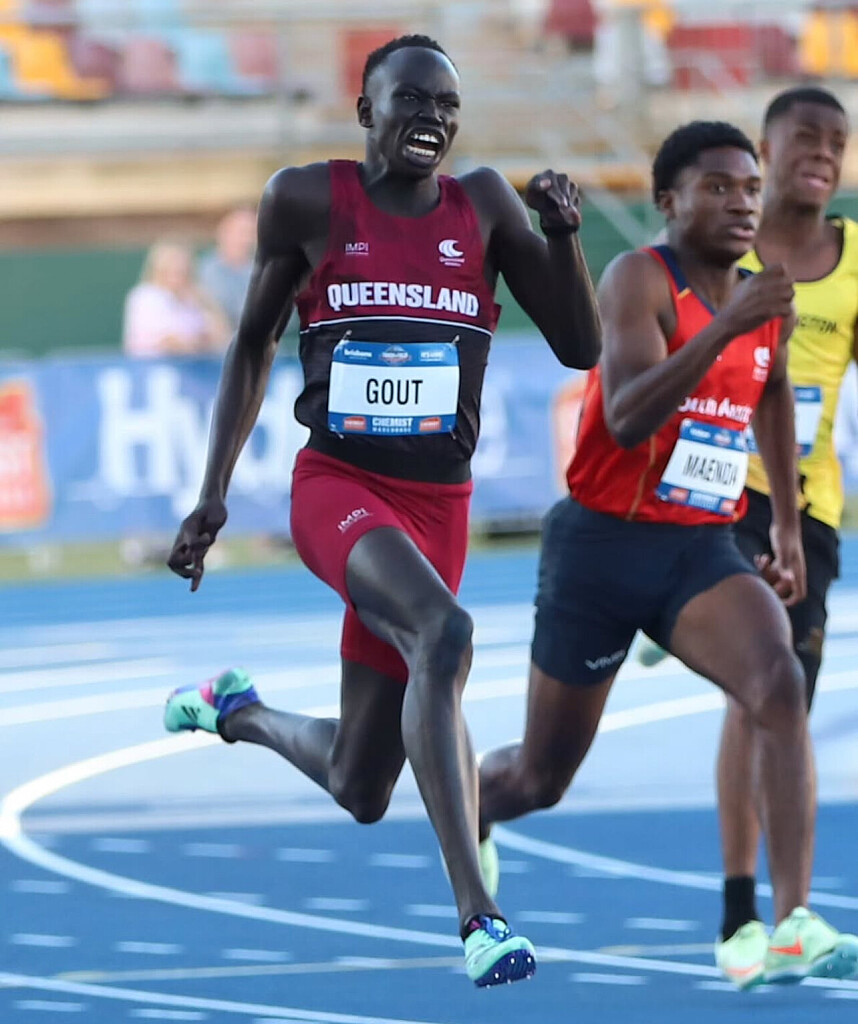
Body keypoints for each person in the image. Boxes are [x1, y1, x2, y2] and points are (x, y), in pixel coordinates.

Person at [161, 34, 601, 988]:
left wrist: (564, 236)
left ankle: (237, 710)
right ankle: (479, 916)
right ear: (367, 111)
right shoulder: (307, 201)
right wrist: (213, 492)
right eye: (411, 100)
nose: (431, 118)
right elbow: (251, 344)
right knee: (444, 634)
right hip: (340, 488)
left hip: (439, 506)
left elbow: (579, 346)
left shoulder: (483, 206)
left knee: (360, 783)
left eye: (447, 105)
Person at [477, 120, 858, 990]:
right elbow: (627, 417)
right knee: (540, 777)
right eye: (718, 188)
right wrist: (724, 327)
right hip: (601, 548)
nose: (742, 203)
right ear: (669, 201)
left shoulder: (763, 297)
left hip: (697, 544)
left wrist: (787, 524)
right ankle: (471, 805)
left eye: (750, 188)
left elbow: (772, 394)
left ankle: (795, 920)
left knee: (778, 684)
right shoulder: (639, 279)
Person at [634, 88, 858, 986]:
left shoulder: (852, 258)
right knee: (757, 690)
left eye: (838, 142)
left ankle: (788, 917)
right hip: (715, 489)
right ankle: (746, 913)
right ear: (764, 150)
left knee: (782, 702)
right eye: (805, 138)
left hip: (807, 502)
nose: (823, 154)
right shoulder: (721, 236)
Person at [123, 240, 229, 358]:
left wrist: (205, 302)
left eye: (182, 269)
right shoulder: (145, 296)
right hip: (153, 366)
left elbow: (220, 337)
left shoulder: (194, 298)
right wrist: (194, 342)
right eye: (170, 267)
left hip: (195, 366)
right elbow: (168, 342)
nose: (177, 274)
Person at [198, 206, 257, 333]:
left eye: (252, 233)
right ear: (223, 233)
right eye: (242, 232)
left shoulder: (260, 270)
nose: (247, 239)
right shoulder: (206, 269)